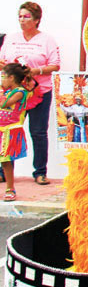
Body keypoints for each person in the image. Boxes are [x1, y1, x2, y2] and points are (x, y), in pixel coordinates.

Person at [0, 2, 60, 184]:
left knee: (38, 132)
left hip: (38, 91)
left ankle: (40, 172)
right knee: (6, 130)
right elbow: (2, 60)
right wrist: (13, 70)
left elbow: (55, 64)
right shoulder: (11, 37)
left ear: (36, 20)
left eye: (26, 17)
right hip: (14, 92)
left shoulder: (47, 40)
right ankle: (4, 172)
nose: (22, 20)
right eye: (19, 16)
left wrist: (35, 71)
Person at [0, 63, 32, 201]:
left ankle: (10, 188)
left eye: (3, 77)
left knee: (6, 161)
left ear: (11, 77)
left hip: (10, 130)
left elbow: (3, 104)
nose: (2, 80)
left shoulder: (20, 92)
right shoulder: (5, 90)